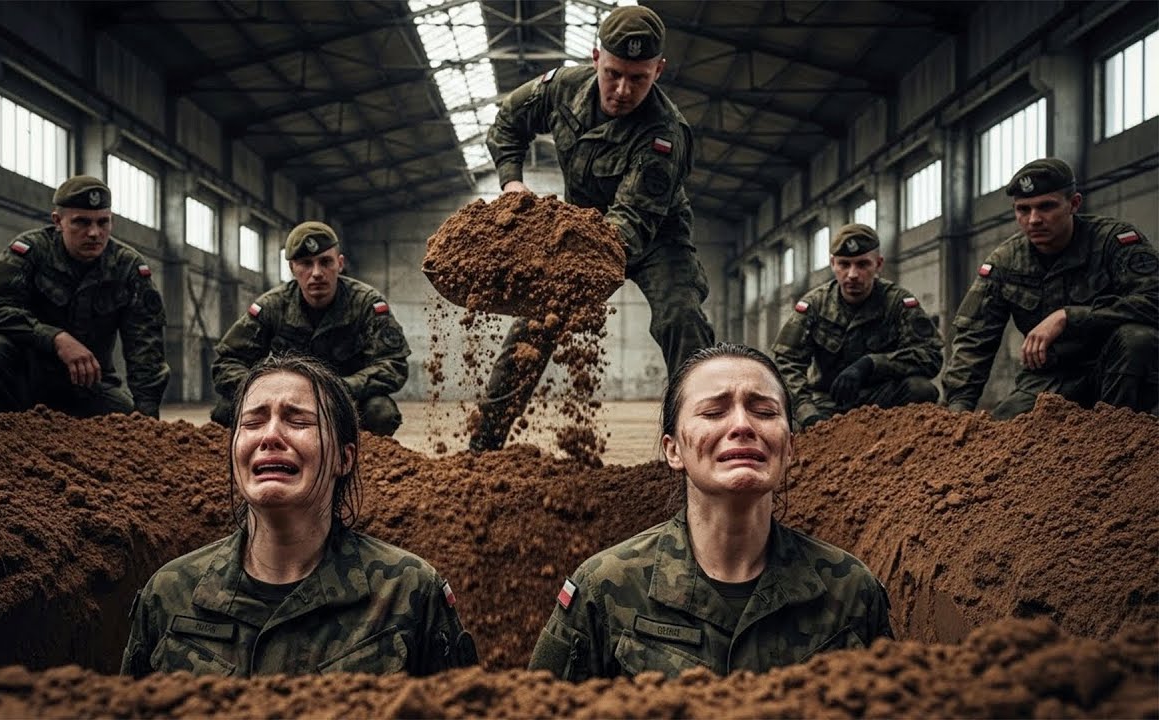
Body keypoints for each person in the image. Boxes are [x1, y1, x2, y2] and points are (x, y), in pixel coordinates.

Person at [528, 343, 892, 679]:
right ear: (673, 451)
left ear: (790, 448)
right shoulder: (606, 588)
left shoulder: (850, 591)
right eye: (714, 412)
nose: (742, 426)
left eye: (764, 411)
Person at [121, 353, 477, 677]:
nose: (271, 436)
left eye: (298, 421)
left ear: (344, 457)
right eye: (253, 422)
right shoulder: (169, 594)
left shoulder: (407, 592)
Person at [470, 4, 715, 451]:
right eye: (614, 73)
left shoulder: (665, 135)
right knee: (531, 328)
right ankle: (483, 448)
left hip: (655, 236)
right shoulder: (563, 87)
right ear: (596, 55)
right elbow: (508, 121)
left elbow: (630, 224)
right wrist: (511, 182)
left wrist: (570, 268)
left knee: (682, 317)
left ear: (658, 70)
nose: (622, 90)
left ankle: (701, 443)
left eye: (638, 78)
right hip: (579, 228)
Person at [942, 158, 1158, 418]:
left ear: (1074, 204)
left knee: (1138, 338)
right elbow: (974, 339)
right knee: (1001, 439)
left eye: (1046, 206)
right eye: (1023, 209)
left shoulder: (1114, 243)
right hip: (1049, 380)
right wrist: (956, 410)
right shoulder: (1005, 261)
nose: (1034, 219)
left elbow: (1153, 299)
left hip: (1115, 373)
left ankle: (1120, 439)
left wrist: (1069, 317)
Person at [0, 176, 168, 418]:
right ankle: (6, 436)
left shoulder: (127, 266)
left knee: (126, 420)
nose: (94, 233)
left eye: (103, 222)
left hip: (87, 386)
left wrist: (147, 418)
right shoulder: (31, 252)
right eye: (81, 222)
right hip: (26, 383)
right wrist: (55, 338)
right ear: (57, 221)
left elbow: (145, 347)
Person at [210, 220, 409, 436]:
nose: (316, 273)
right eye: (306, 263)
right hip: (285, 402)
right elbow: (227, 362)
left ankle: (363, 463)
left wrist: (342, 388)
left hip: (345, 402)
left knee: (380, 412)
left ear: (340, 264)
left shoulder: (366, 304)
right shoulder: (272, 306)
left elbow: (393, 363)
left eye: (325, 262)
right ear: (292, 268)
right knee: (226, 410)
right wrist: (267, 391)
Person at [772, 223, 943, 428]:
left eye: (862, 264)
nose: (852, 274)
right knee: (790, 426)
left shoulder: (898, 303)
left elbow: (930, 355)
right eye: (844, 264)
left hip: (882, 401)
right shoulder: (815, 305)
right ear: (833, 264)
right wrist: (807, 412)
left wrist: (871, 364)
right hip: (827, 402)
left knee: (921, 390)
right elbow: (786, 363)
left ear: (878, 264)